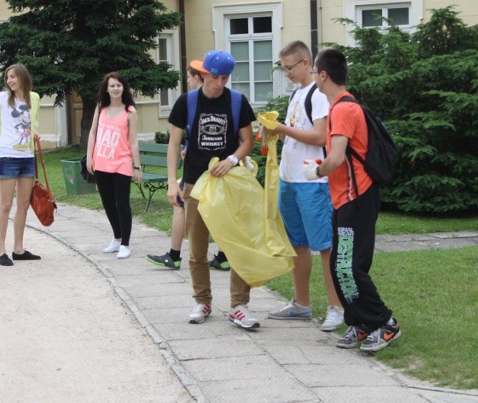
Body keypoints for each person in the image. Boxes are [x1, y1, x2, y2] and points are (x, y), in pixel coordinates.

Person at [302, 48, 401, 352]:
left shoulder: (344, 109)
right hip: (345, 199)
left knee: (350, 266)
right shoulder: (340, 106)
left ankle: (385, 323)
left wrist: (316, 171)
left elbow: (335, 158)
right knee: (338, 264)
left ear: (323, 75)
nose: (312, 77)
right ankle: (359, 323)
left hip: (357, 197)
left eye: (314, 71)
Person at [166, 50, 258, 329]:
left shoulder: (237, 101)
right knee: (197, 248)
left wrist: (232, 160)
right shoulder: (187, 102)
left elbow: (247, 141)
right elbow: (173, 144)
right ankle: (202, 300)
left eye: (225, 78)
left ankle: (239, 305)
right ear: (203, 74)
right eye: (215, 77)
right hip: (195, 182)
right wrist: (173, 182)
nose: (220, 83)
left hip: (229, 184)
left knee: (236, 244)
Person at [265, 41, 344, 332]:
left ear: (305, 63)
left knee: (324, 245)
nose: (286, 73)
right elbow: (296, 137)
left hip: (313, 181)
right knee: (297, 243)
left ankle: (337, 307)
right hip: (290, 178)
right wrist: (275, 133)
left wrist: (283, 129)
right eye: (283, 68)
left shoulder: (318, 95)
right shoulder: (297, 94)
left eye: (289, 67)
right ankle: (301, 304)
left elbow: (322, 137)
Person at [146, 65, 230, 271]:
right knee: (212, 211)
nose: (189, 82)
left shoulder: (195, 101)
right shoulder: (192, 102)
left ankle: (176, 255)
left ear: (198, 77)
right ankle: (221, 255)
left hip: (204, 171)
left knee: (185, 207)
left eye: (190, 78)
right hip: (200, 169)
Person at [0, 63, 42, 267]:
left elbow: (33, 122)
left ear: (22, 77)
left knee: (23, 204)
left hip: (27, 157)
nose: (10, 81)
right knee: (6, 204)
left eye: (13, 77)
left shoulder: (34, 98)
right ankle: (1, 250)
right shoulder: (2, 98)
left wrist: (35, 132)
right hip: (7, 155)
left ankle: (18, 249)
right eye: (7, 77)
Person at [86, 72, 143, 259]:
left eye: (119, 85)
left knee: (122, 204)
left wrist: (137, 167)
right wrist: (89, 157)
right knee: (108, 203)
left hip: (121, 162)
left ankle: (125, 244)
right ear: (107, 89)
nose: (116, 88)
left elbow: (133, 141)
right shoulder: (100, 107)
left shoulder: (130, 111)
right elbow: (93, 133)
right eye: (112, 86)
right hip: (102, 161)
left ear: (123, 88)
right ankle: (117, 238)